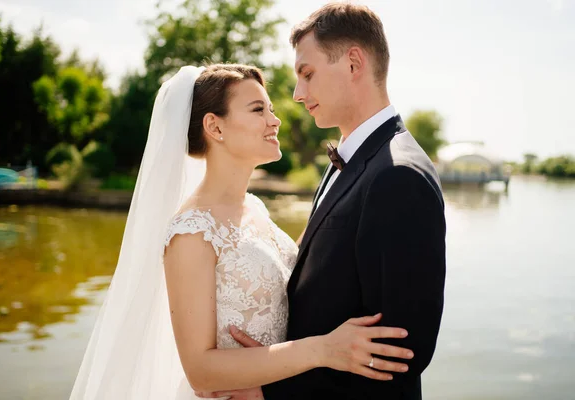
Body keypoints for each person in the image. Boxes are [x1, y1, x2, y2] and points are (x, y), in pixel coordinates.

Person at [69, 63, 414, 400]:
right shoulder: (191, 233)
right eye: (257, 109)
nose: (275, 120)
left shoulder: (255, 208)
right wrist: (324, 350)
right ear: (215, 128)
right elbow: (200, 370)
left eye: (271, 109)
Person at [207, 3, 447, 399]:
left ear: (354, 63)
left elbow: (399, 353)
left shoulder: (397, 176)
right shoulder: (353, 159)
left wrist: (270, 389)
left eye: (308, 74)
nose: (298, 94)